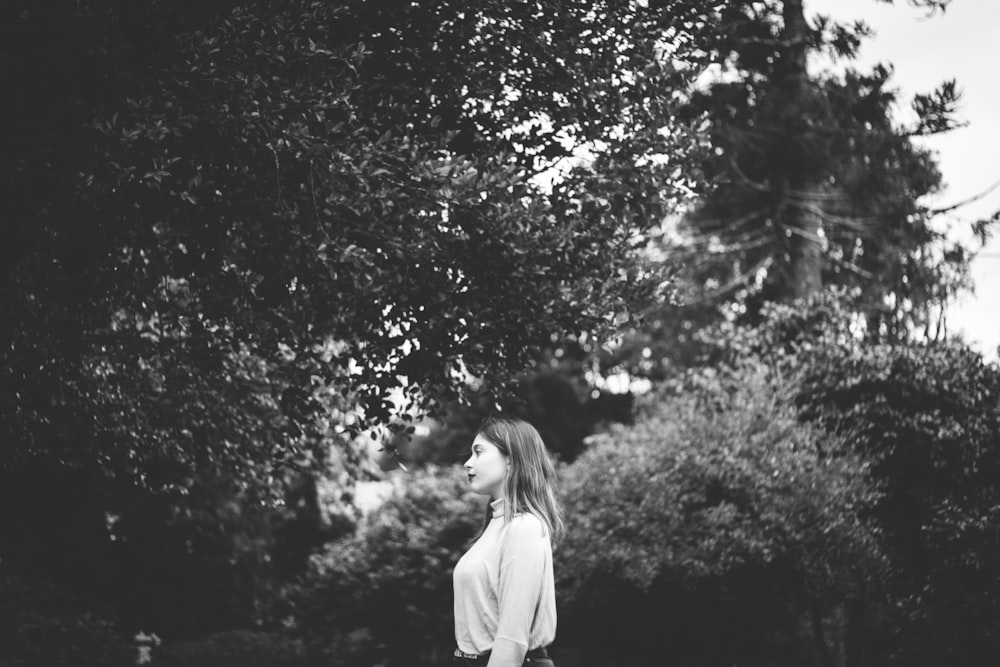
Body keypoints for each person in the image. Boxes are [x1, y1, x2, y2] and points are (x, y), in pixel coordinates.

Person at [452, 417, 563, 667]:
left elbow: (512, 638)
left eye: (478, 452)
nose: (468, 463)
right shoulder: (496, 524)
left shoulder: (524, 527)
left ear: (511, 460)